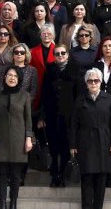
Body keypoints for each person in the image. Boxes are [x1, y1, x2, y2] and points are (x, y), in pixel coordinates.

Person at [70, 68, 111, 209]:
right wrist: (73, 145)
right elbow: (74, 124)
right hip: (85, 142)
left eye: (96, 80)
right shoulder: (80, 100)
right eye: (90, 81)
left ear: (101, 82)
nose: (93, 83)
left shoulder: (108, 98)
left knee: (101, 179)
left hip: (104, 142)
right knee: (86, 178)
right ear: (86, 83)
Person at [0, 66, 34, 209]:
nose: (12, 77)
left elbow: (28, 119)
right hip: (0, 139)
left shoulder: (25, 96)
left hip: (19, 139)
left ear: (19, 79)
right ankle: (2, 203)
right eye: (9, 75)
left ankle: (13, 202)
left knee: (15, 174)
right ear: (4, 78)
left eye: (15, 75)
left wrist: (28, 138)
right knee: (2, 173)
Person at [42, 44, 79, 187]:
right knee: (53, 146)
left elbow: (78, 94)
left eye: (63, 53)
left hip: (68, 115)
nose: (60, 56)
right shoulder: (50, 70)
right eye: (57, 54)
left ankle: (63, 175)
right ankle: (54, 175)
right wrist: (42, 115)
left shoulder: (74, 70)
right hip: (52, 114)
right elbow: (45, 93)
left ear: (68, 55)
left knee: (65, 146)